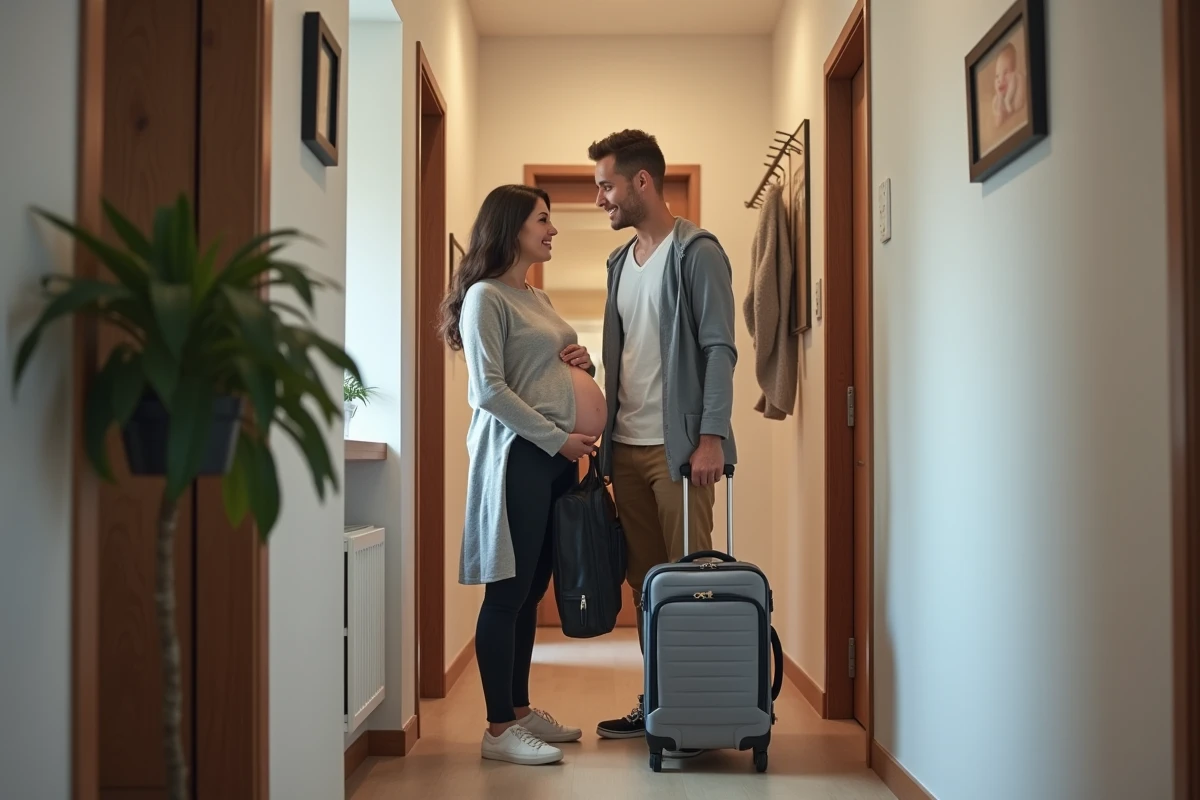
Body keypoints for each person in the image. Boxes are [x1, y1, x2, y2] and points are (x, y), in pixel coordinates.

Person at [439, 184, 608, 765]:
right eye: (543, 219)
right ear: (511, 227)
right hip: (520, 458)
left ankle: (518, 708)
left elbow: (546, 369)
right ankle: (496, 729)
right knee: (508, 594)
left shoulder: (537, 297)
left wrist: (583, 362)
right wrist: (559, 438)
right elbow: (486, 390)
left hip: (555, 461)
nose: (553, 229)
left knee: (534, 590)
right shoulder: (487, 296)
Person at [586, 130, 739, 746]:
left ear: (640, 182)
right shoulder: (620, 265)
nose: (601, 198)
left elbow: (720, 349)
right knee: (646, 588)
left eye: (606, 185)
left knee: (690, 582)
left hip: (681, 453)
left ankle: (697, 713)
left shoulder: (696, 251)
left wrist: (712, 437)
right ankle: (659, 704)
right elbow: (629, 357)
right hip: (626, 448)